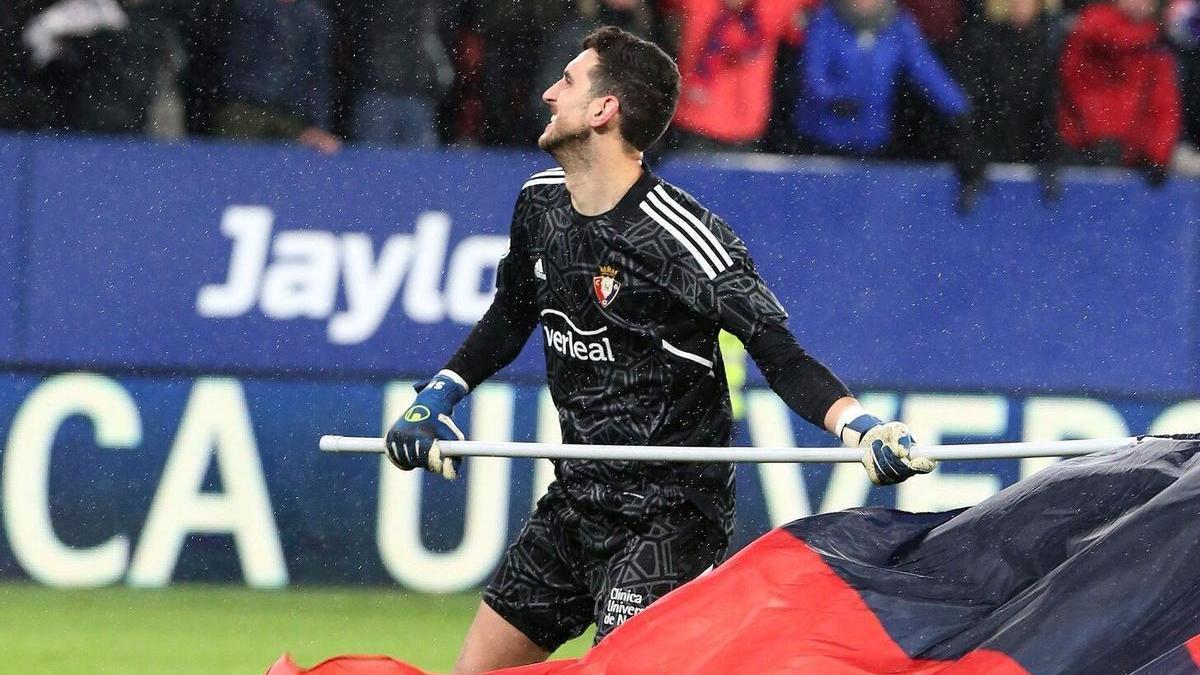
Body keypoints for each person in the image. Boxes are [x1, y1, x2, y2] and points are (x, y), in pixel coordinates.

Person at [384, 26, 935, 674]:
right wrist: (436, 397)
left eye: (566, 81)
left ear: (603, 110)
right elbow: (510, 315)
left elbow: (779, 353)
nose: (546, 92)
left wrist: (858, 425)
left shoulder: (687, 239)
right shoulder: (538, 204)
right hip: (576, 499)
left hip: (671, 518)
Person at [1057, 0, 1181, 186]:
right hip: (1083, 149)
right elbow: (1073, 87)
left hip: (1133, 157)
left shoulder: (1156, 47)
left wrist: (1157, 156)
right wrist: (1097, 137)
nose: (1140, 4)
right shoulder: (1091, 34)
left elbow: (1164, 107)